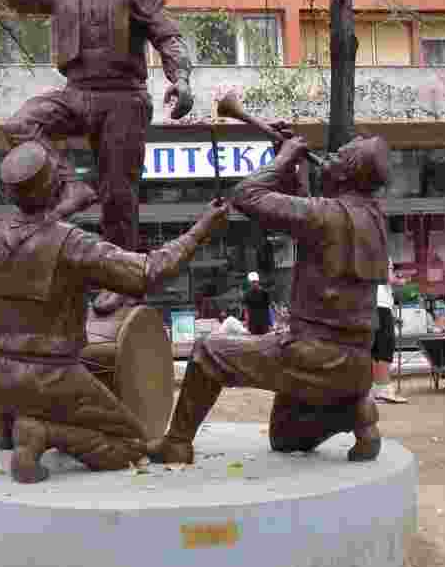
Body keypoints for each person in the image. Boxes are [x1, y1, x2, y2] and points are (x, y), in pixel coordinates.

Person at [0, 141, 228, 483]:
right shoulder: (71, 243)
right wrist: (203, 228)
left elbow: (1, 276)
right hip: (46, 378)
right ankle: (43, 433)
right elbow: (147, 272)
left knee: (81, 370)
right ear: (55, 187)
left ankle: (11, 430)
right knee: (132, 444)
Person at [0, 0, 194, 317]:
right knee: (22, 125)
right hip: (77, 91)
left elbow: (167, 35)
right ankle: (72, 186)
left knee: (119, 194)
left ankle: (122, 279)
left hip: (123, 97)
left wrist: (181, 79)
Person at [151, 132, 390, 466]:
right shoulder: (374, 218)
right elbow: (311, 221)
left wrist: (281, 160)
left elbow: (245, 195)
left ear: (346, 174)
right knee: (285, 438)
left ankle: (176, 443)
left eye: (337, 157)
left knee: (208, 352)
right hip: (354, 363)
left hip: (312, 354)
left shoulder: (324, 215)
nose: (328, 158)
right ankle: (353, 414)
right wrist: (294, 171)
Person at [372, 258, 407, 403]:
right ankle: (383, 388)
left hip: (370, 303)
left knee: (374, 349)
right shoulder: (381, 251)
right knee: (385, 348)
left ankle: (375, 388)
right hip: (380, 304)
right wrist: (399, 281)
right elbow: (386, 276)